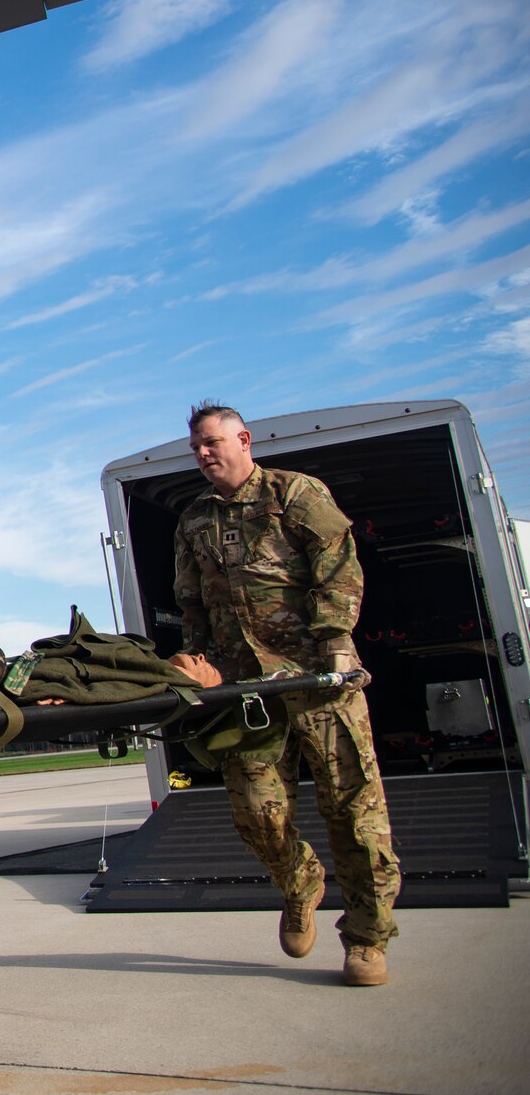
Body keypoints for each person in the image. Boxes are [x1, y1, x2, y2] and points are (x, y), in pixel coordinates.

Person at [170, 402, 399, 986]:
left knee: (354, 812)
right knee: (254, 810)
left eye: (211, 442)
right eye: (195, 446)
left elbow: (339, 565)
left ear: (243, 439)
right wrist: (197, 664)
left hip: (318, 679)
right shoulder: (193, 519)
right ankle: (300, 883)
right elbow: (191, 602)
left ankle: (367, 940)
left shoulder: (294, 494)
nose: (202, 454)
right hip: (247, 691)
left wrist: (336, 641)